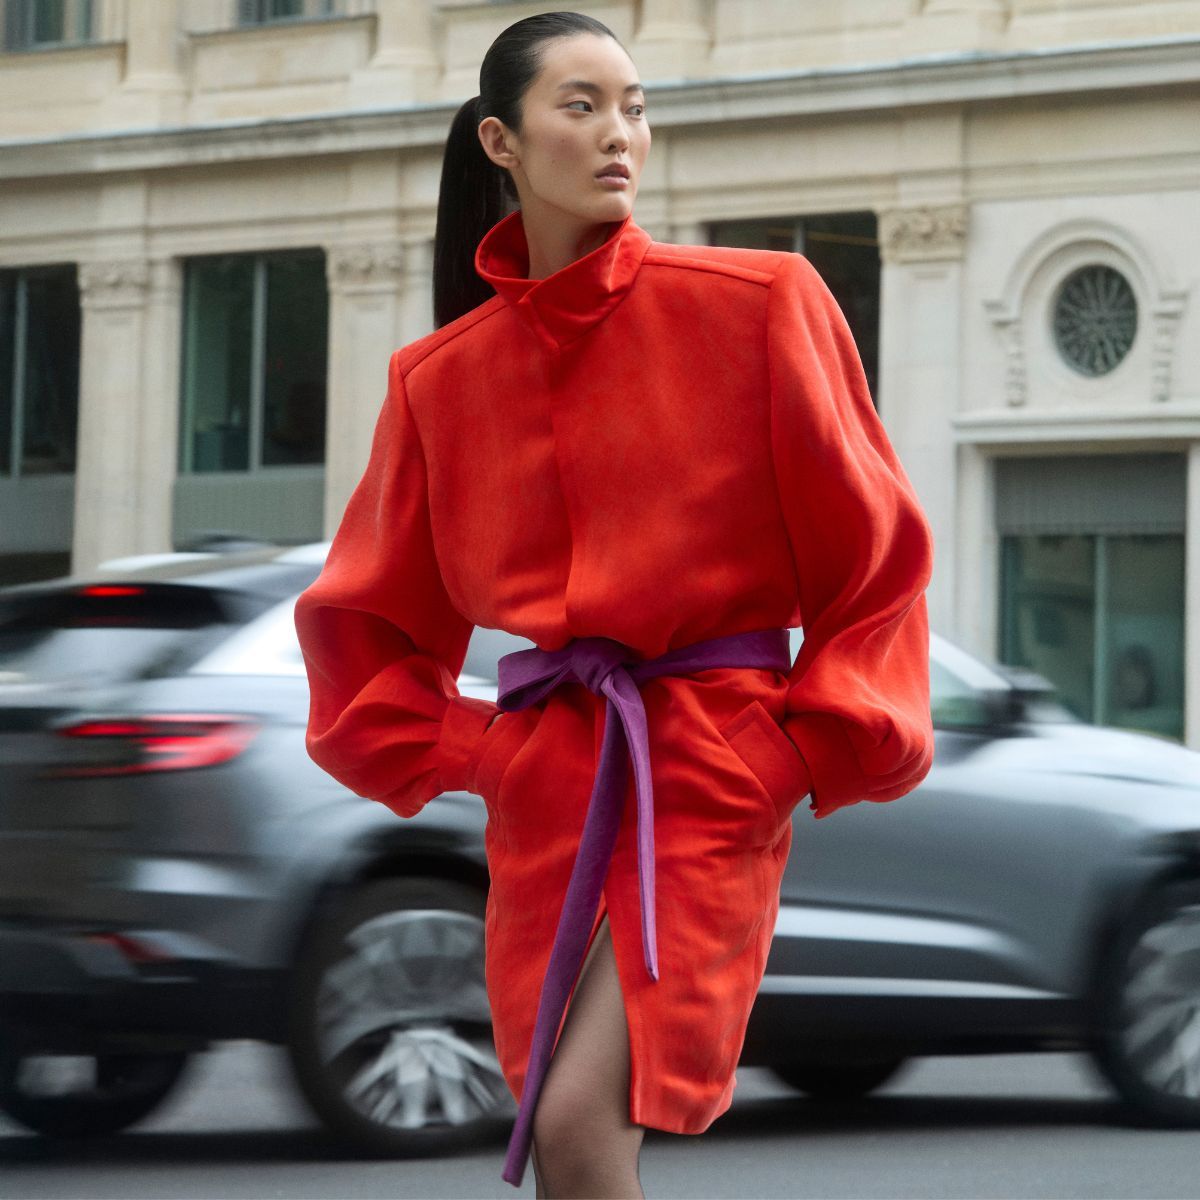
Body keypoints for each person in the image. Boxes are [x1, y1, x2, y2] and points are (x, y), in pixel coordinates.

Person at [293, 11, 936, 1198]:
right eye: (579, 106)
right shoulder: (440, 379)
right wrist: (486, 758)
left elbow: (878, 559)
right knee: (563, 1151)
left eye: (633, 105)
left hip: (705, 766)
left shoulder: (761, 302)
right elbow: (364, 627)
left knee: (583, 1126)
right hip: (545, 797)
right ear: (501, 139)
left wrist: (790, 755)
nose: (618, 133)